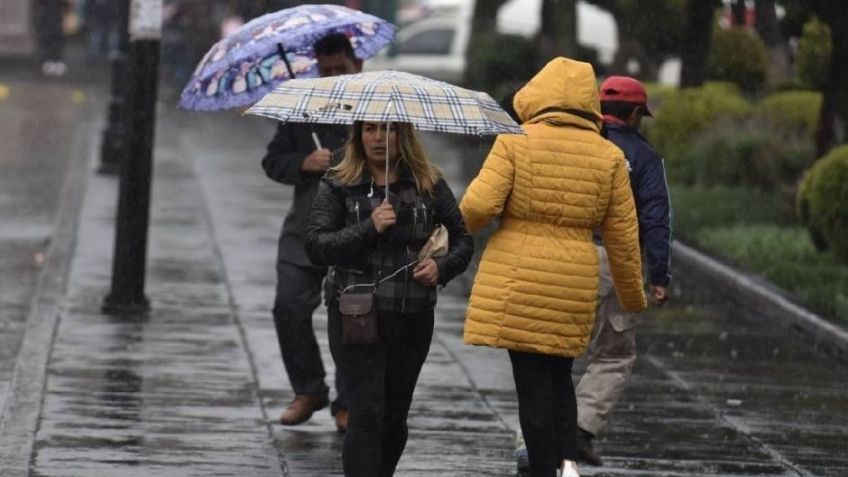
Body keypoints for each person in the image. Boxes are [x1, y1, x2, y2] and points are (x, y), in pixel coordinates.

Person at [460, 57, 646, 477]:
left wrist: (464, 227)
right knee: (560, 374)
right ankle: (566, 465)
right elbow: (622, 235)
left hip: (518, 278)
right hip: (574, 280)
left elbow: (477, 206)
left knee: (530, 384)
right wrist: (632, 296)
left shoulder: (514, 140)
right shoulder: (609, 156)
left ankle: (544, 468)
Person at [304, 121, 473, 476]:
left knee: (395, 415)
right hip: (355, 311)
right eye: (369, 129)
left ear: (404, 136)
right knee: (365, 413)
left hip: (411, 313)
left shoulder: (428, 182)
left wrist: (442, 268)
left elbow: (462, 239)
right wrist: (370, 227)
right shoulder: (339, 182)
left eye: (389, 129)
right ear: (357, 136)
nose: (378, 138)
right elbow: (317, 245)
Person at [260, 32, 362, 432]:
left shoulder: (375, 108)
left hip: (356, 233)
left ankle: (349, 402)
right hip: (304, 231)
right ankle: (309, 388)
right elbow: (273, 161)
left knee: (354, 321)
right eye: (326, 69)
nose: (333, 75)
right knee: (288, 307)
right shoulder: (301, 109)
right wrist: (305, 161)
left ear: (357, 65)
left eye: (341, 68)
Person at [573, 75, 672, 466]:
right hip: (616, 260)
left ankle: (532, 438)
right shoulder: (644, 157)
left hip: (566, 256)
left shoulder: (577, 143)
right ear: (635, 114)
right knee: (613, 354)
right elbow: (657, 219)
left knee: (551, 355)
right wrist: (660, 276)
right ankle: (579, 428)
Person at [33, 0, 69, 76]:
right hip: (55, 25)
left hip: (50, 25)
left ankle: (51, 62)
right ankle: (54, 62)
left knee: (50, 46)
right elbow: (66, 6)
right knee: (54, 46)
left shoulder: (44, 5)